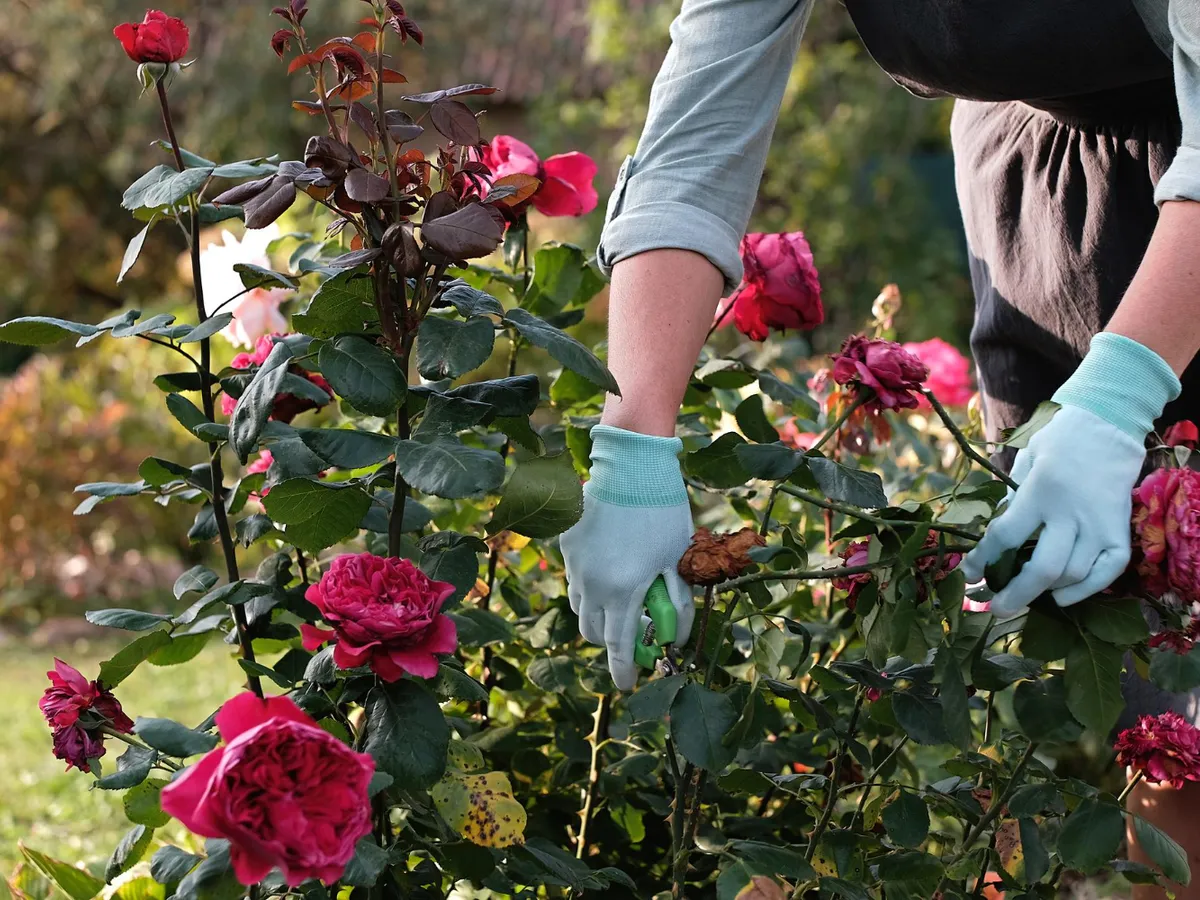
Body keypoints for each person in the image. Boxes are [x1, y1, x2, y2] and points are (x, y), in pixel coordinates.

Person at [558, 1, 1200, 895]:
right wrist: (632, 445)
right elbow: (697, 138)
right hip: (1042, 208)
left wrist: (1117, 399)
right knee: (1154, 720)